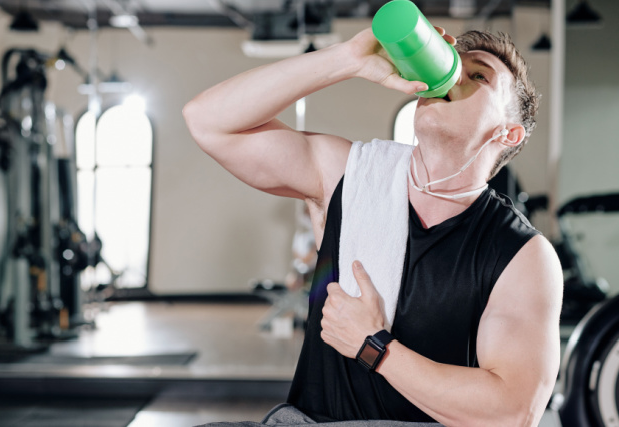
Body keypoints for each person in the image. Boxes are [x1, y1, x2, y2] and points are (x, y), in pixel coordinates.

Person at [183, 24, 563, 426]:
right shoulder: (348, 175)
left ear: (508, 133)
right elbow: (208, 120)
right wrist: (346, 59)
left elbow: (513, 412)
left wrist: (375, 348)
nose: (450, 77)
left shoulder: (521, 255)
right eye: (452, 65)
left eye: (478, 75)